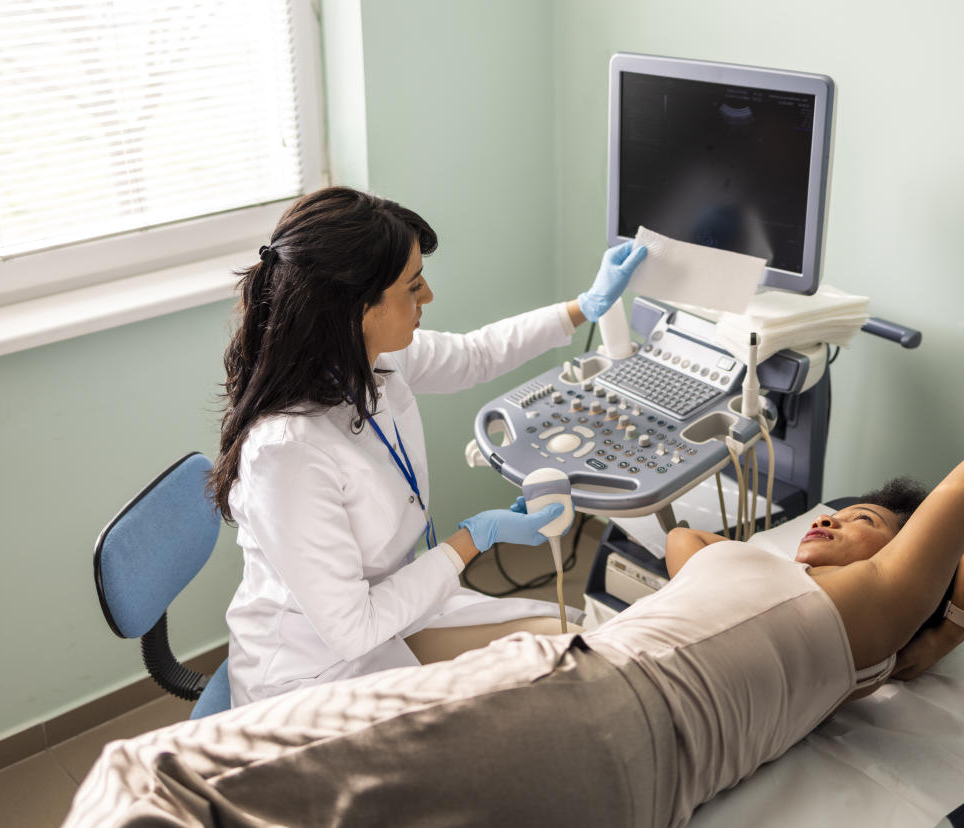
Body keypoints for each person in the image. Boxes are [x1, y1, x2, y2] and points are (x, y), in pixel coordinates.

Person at [64, 438, 964, 828]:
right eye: (837, 510)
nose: (831, 520)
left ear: (907, 565)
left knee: (153, 780)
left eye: (867, 522)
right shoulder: (776, 582)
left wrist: (946, 620)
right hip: (627, 779)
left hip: (583, 702)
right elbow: (689, 539)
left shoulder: (880, 605)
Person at [209, 186, 647, 705]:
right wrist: (473, 540)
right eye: (413, 286)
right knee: (538, 701)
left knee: (572, 639)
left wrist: (584, 307)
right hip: (316, 677)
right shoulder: (286, 453)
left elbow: (476, 354)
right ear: (358, 309)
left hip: (395, 611)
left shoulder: (372, 360)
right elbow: (352, 631)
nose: (429, 297)